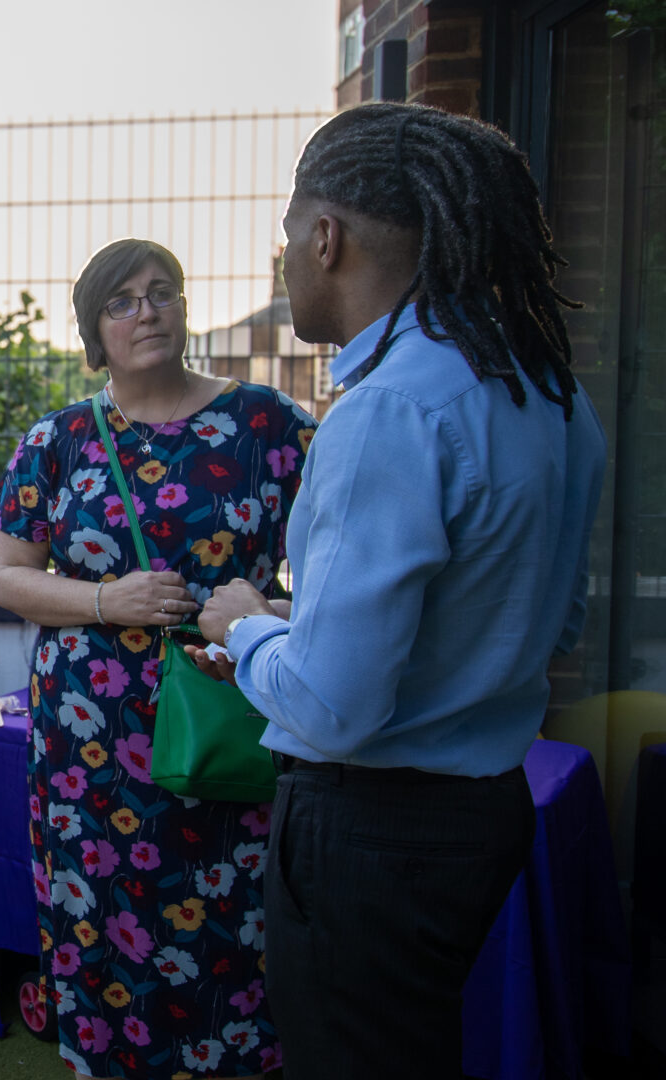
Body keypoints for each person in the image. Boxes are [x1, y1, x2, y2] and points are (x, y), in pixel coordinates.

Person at [193, 102, 605, 1078]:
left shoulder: (387, 410)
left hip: (371, 828)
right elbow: (550, 618)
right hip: (479, 812)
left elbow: (332, 709)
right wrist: (308, 627)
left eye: (288, 235)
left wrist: (249, 629)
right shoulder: (546, 391)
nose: (285, 259)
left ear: (325, 237)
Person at [0, 238, 317, 1079]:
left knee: (237, 917)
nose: (148, 312)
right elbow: (8, 576)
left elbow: (340, 582)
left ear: (185, 306)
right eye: (122, 301)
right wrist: (108, 601)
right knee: (99, 912)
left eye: (162, 292)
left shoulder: (269, 425)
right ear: (94, 330)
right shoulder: (57, 440)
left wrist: (257, 618)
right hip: (90, 743)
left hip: (228, 714)